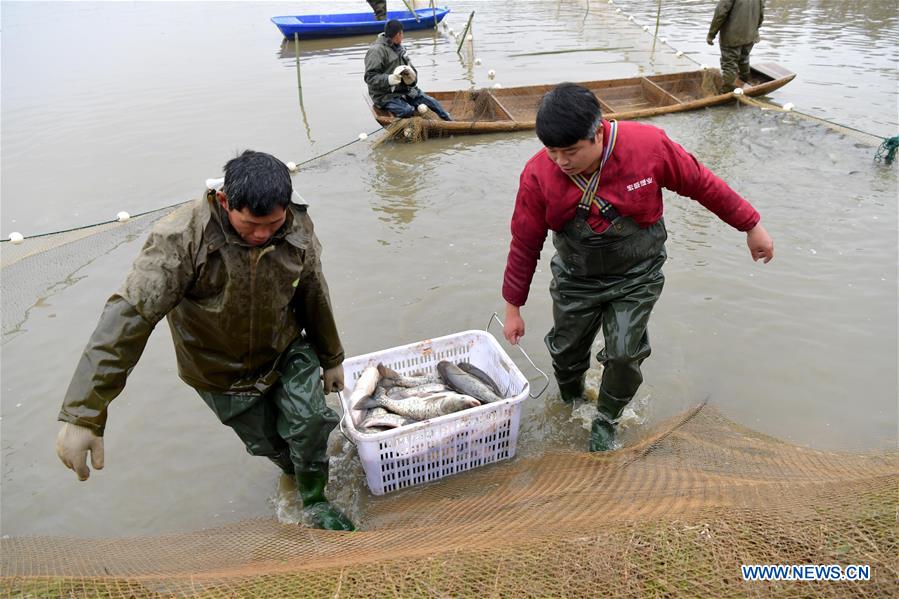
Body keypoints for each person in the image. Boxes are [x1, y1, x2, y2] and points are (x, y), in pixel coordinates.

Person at [55, 150, 354, 531]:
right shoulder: (179, 240)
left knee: (311, 422)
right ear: (226, 201)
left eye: (273, 223)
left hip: (285, 348)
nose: (263, 234)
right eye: (251, 225)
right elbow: (128, 318)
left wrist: (332, 356)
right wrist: (84, 414)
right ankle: (296, 473)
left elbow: (313, 289)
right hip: (219, 371)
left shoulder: (296, 225)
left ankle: (314, 501)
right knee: (273, 446)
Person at [501, 83, 774, 452]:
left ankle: (607, 418)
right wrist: (513, 308)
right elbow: (525, 242)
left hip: (636, 275)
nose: (561, 161)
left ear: (597, 133)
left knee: (624, 353)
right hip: (575, 277)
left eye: (571, 151)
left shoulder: (648, 147)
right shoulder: (538, 175)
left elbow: (702, 184)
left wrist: (751, 225)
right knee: (565, 351)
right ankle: (571, 397)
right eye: (552, 151)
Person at [364, 19, 453, 121]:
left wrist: (412, 79)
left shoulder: (400, 48)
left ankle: (451, 122)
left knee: (432, 102)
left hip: (404, 90)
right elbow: (369, 77)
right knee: (406, 110)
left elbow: (411, 69)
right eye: (402, 33)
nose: (403, 36)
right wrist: (389, 79)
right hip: (384, 96)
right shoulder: (376, 51)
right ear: (399, 34)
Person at [707, 0, 764, 91]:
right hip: (751, 34)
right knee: (744, 58)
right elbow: (761, 13)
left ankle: (727, 90)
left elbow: (720, 13)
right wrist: (755, 29)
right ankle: (744, 82)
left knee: (729, 64)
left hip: (732, 36)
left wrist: (711, 34)